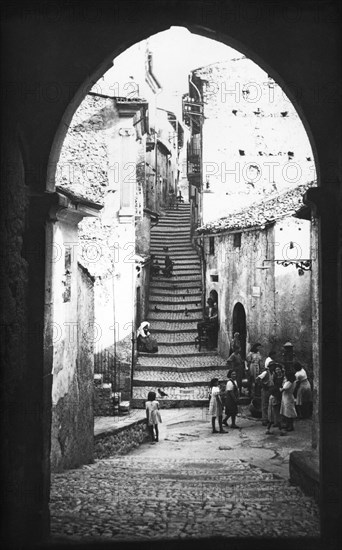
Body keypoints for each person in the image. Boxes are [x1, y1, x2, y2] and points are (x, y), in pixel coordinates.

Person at [265, 363, 284, 434]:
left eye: (279, 369)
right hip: (275, 395)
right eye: (276, 370)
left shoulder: (283, 377)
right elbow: (272, 387)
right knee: (275, 413)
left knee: (277, 413)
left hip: (279, 395)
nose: (278, 371)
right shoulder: (274, 377)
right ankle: (280, 429)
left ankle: (272, 428)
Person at [256, 360, 276, 426]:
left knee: (271, 404)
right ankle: (264, 419)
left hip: (271, 389)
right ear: (269, 367)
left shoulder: (274, 373)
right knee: (264, 404)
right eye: (272, 366)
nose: (273, 368)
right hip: (265, 389)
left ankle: (270, 418)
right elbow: (257, 379)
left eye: (274, 366)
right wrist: (263, 384)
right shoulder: (265, 373)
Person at [279, 367, 297, 434]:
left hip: (287, 397)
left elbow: (283, 389)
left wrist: (280, 388)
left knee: (288, 413)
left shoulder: (289, 383)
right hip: (287, 397)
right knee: (287, 412)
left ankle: (290, 426)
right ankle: (288, 425)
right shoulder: (293, 381)